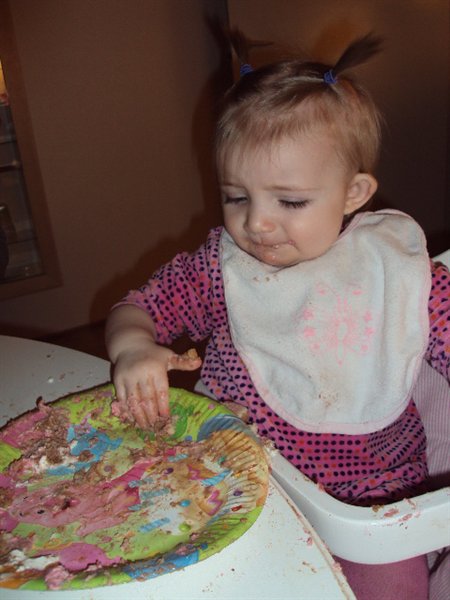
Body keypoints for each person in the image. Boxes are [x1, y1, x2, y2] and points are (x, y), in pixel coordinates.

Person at [106, 32, 449, 599]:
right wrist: (134, 346)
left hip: (372, 498)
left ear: (353, 193)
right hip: (234, 477)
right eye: (237, 197)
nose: (257, 224)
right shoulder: (222, 270)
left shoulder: (397, 274)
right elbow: (138, 308)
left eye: (289, 201)